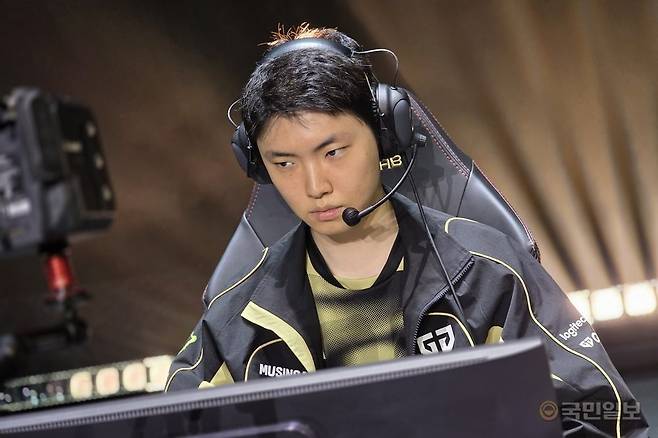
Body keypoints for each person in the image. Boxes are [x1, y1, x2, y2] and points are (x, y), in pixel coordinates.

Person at [166, 24, 648, 437]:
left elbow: (607, 413)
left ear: (383, 135)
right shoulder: (236, 317)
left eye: (333, 152)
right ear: (259, 165)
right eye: (285, 163)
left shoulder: (488, 272)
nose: (315, 186)